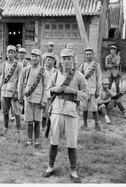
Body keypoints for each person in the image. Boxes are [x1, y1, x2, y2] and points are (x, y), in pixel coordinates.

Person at [44, 48, 89, 183]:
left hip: (71, 112)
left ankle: (73, 171)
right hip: (56, 111)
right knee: (54, 141)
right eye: (64, 58)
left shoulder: (79, 76)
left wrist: (73, 91)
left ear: (73, 60)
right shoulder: (55, 76)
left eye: (69, 58)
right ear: (61, 60)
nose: (66, 61)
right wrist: (53, 89)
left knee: (72, 143)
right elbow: (46, 92)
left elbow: (86, 95)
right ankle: (50, 167)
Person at [18, 49, 46, 148]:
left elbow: (46, 86)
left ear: (40, 58)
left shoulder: (43, 71)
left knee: (37, 120)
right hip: (28, 98)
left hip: (38, 99)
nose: (34, 58)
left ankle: (37, 140)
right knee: (29, 120)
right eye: (33, 56)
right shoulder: (26, 69)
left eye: (36, 56)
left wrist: (44, 100)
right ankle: (29, 140)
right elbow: (21, 83)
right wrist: (20, 96)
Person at [0, 45, 23, 140]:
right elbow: (2, 76)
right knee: (5, 111)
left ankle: (18, 130)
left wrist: (17, 92)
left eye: (12, 52)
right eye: (9, 52)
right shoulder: (5, 64)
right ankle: (5, 128)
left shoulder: (19, 65)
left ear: (15, 54)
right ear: (6, 53)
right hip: (4, 90)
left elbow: (20, 80)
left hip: (13, 91)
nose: (10, 54)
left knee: (16, 112)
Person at [79, 47, 102, 131]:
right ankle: (85, 124)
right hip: (85, 91)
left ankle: (97, 124)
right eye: (87, 54)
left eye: (90, 54)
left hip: (93, 90)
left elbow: (99, 77)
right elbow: (80, 78)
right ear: (85, 55)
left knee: (94, 108)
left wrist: (98, 89)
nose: (88, 56)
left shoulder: (96, 65)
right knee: (84, 107)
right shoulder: (82, 66)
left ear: (92, 55)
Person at [41, 52, 58, 132]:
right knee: (45, 111)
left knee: (52, 111)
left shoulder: (56, 71)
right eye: (48, 60)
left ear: (54, 62)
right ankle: (43, 127)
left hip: (53, 93)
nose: (49, 61)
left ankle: (51, 127)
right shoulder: (42, 70)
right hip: (44, 93)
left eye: (51, 60)